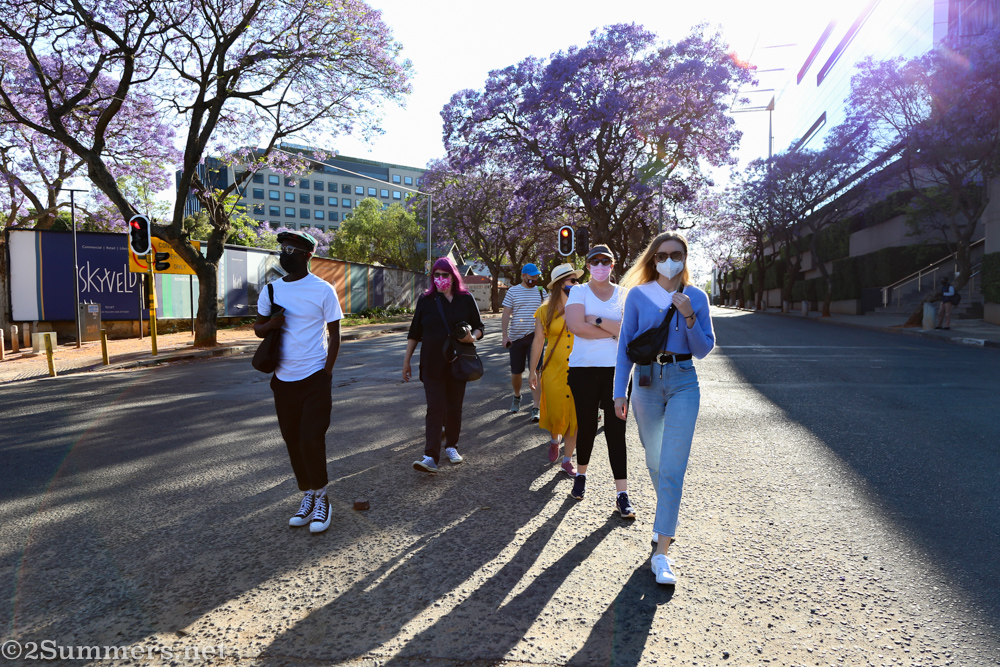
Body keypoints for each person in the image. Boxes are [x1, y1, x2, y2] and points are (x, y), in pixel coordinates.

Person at [614, 231, 715, 585]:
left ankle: (662, 553)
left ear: (686, 258)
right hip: (644, 383)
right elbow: (625, 346)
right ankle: (665, 521)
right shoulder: (638, 296)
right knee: (655, 462)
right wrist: (618, 393)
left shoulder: (697, 296)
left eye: (676, 254)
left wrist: (689, 316)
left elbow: (703, 349)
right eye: (661, 255)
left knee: (673, 467)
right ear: (652, 259)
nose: (669, 260)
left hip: (684, 380)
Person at [254, 230, 343, 534]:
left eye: (291, 249)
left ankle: (322, 498)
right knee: (292, 441)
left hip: (315, 377)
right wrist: (271, 324)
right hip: (283, 380)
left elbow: (335, 335)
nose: (285, 253)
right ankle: (308, 493)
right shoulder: (270, 290)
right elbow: (258, 329)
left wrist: (326, 373)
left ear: (307, 256)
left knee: (310, 439)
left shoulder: (323, 290)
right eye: (282, 248)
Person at [564, 245, 634, 518]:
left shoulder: (625, 295)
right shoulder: (579, 291)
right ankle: (581, 475)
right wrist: (612, 330)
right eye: (595, 261)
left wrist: (596, 319)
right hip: (582, 369)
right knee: (587, 425)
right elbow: (575, 326)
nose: (600, 265)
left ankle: (622, 494)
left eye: (606, 261)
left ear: (613, 265)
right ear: (588, 264)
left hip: (617, 371)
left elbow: (628, 332)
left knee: (617, 431)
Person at [403, 257, 485, 473]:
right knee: (435, 408)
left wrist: (472, 338)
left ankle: (451, 446)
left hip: (459, 362)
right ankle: (430, 456)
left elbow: (479, 327)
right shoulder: (425, 300)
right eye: (436, 275)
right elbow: (414, 333)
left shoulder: (465, 299)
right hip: (431, 364)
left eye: (444, 275)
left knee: (454, 407)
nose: (440, 279)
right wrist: (406, 361)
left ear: (453, 276)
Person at [529, 263, 584, 477]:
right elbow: (537, 342)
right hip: (553, 369)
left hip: (580, 368)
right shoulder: (544, 311)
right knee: (555, 410)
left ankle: (568, 459)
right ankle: (554, 440)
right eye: (572, 280)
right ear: (561, 284)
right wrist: (532, 370)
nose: (576, 284)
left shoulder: (583, 306)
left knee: (575, 416)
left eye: (576, 280)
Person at [502, 263, 547, 421]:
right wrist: (505, 336)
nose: (534, 279)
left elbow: (550, 310)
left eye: (536, 276)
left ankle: (536, 406)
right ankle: (516, 395)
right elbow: (506, 314)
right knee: (516, 372)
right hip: (516, 338)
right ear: (523, 276)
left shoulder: (541, 292)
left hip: (535, 338)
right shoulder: (513, 291)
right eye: (531, 276)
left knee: (536, 372)